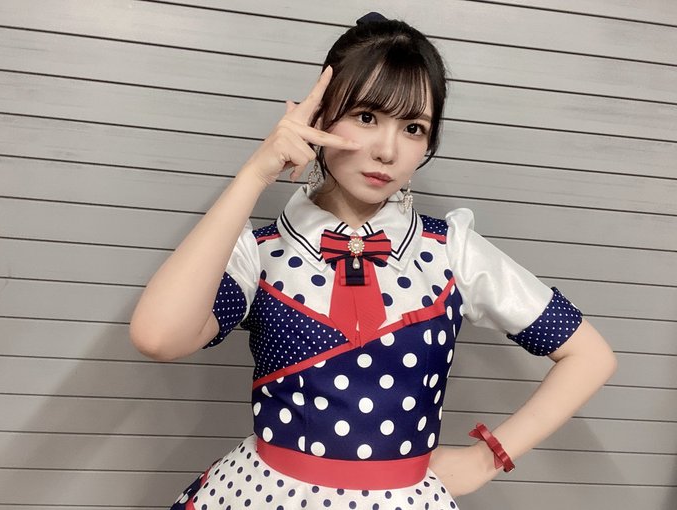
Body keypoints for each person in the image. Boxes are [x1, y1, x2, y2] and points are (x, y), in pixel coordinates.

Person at [129, 12, 617, 510]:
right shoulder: (261, 251)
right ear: (321, 117)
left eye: (413, 128)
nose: (387, 150)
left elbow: (590, 356)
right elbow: (158, 337)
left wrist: (484, 460)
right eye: (366, 117)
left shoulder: (451, 251)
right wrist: (256, 173)